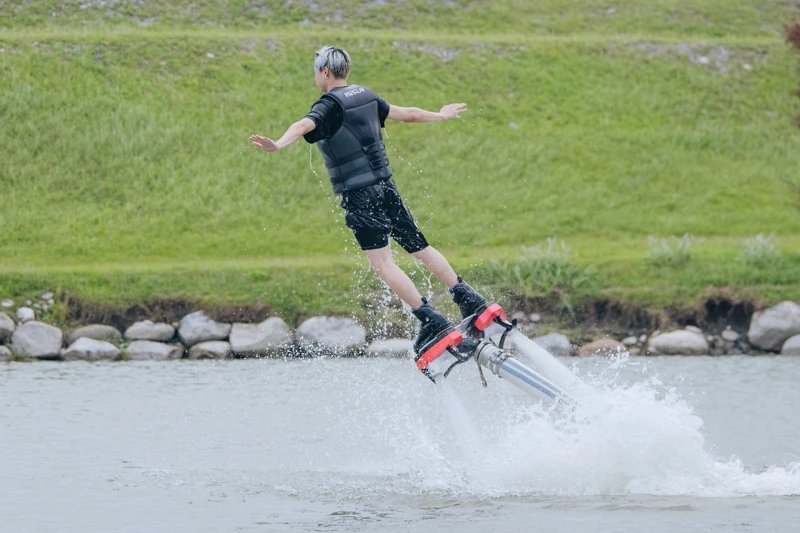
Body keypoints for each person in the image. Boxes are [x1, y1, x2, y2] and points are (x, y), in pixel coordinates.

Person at [250, 45, 497, 371]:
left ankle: (430, 319)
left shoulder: (328, 104)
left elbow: (303, 125)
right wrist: (440, 114)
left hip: (360, 195)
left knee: (382, 264)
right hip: (386, 187)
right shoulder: (365, 94)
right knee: (419, 247)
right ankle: (470, 300)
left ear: (325, 71)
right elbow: (407, 113)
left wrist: (278, 144)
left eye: (315, 71)